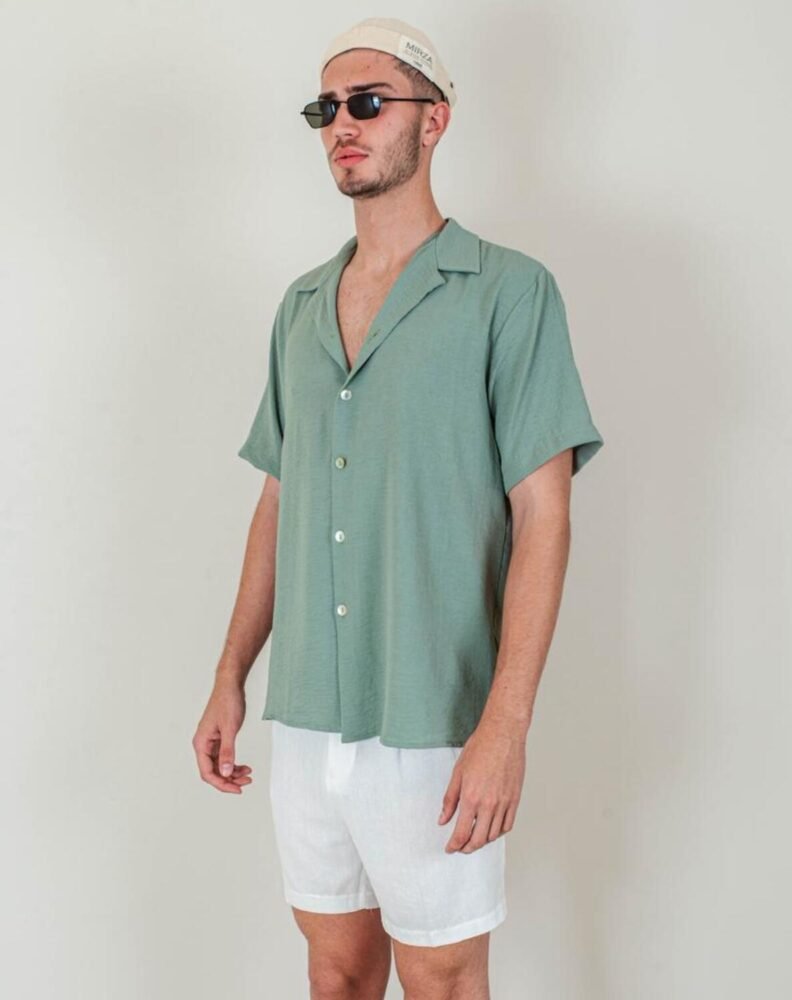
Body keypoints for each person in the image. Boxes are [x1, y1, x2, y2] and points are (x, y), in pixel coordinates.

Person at [193, 16, 604, 999]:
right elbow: (278, 499)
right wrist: (229, 675)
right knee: (334, 971)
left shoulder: (509, 293)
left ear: (434, 120)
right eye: (326, 108)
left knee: (443, 978)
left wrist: (506, 723)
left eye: (369, 102)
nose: (343, 123)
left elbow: (543, 516)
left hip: (435, 715)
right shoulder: (300, 306)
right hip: (306, 713)